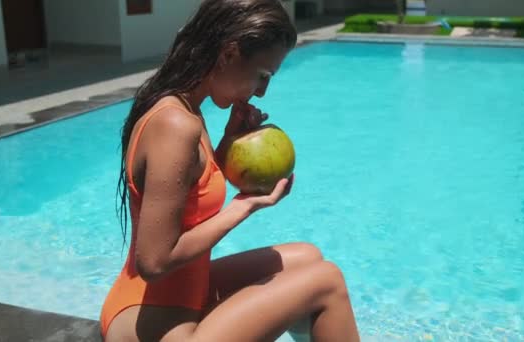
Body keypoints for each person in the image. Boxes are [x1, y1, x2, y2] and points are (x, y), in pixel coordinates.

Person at [99, 0, 360, 341]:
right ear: (228, 55)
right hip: (157, 325)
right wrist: (243, 207)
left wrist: (228, 139)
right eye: (263, 75)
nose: (263, 91)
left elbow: (190, 187)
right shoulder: (177, 124)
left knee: (307, 258)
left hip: (179, 297)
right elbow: (154, 261)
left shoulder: (183, 106)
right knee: (327, 281)